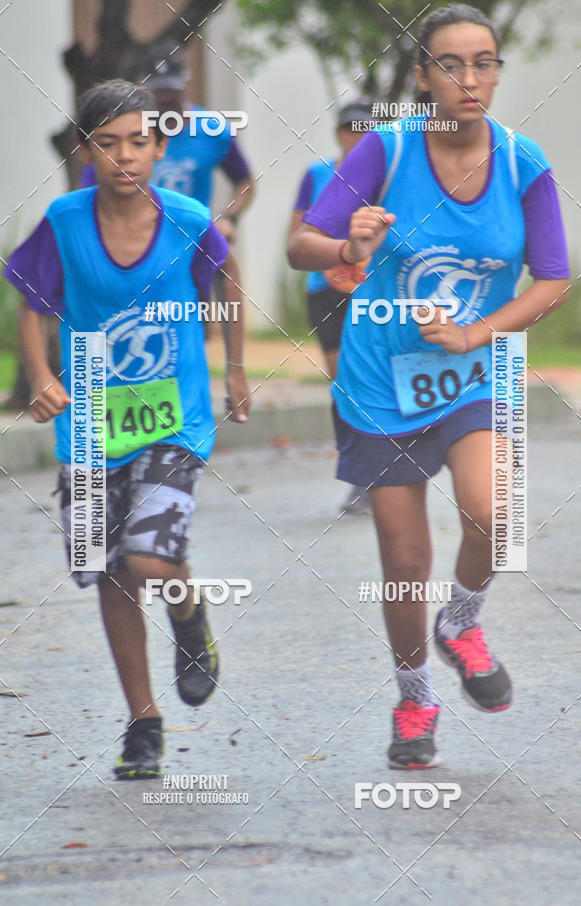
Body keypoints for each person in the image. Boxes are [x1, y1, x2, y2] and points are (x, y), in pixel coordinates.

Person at [288, 3, 570, 768]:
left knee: (494, 514)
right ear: (422, 76)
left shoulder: (522, 163)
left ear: (498, 71)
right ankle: (414, 700)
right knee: (404, 562)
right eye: (451, 64)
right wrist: (348, 241)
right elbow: (298, 245)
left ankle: (463, 622)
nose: (470, 79)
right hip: (382, 380)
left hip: (475, 370)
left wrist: (480, 332)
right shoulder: (384, 151)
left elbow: (552, 281)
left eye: (484, 62)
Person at [5, 79, 250, 779]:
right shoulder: (64, 219)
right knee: (108, 570)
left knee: (149, 556)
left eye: (138, 142)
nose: (124, 158)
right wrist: (42, 376)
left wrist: (234, 368)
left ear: (158, 146)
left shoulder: (187, 218)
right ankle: (143, 720)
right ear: (85, 151)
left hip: (173, 418)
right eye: (107, 144)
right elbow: (30, 296)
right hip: (87, 424)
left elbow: (227, 277)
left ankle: (188, 617)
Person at [288, 100, 378, 515]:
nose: (355, 137)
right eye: (349, 129)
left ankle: (384, 466)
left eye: (364, 129)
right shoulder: (317, 173)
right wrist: (331, 260)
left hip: (373, 288)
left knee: (370, 377)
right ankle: (357, 472)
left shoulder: (387, 173)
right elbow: (297, 234)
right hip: (324, 287)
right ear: (339, 133)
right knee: (342, 378)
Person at [80, 46, 255, 243]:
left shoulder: (213, 130)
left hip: (193, 243)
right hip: (131, 245)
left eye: (171, 90)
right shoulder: (123, 131)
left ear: (187, 82)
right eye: (158, 91)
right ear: (142, 87)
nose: (165, 98)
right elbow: (89, 189)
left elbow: (244, 182)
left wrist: (228, 218)